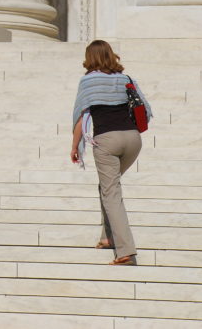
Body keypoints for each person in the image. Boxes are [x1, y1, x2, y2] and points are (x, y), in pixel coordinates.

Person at [69, 40, 152, 266]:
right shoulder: (126, 79)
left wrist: (75, 146)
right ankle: (107, 237)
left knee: (111, 191)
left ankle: (126, 251)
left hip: (107, 140)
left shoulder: (88, 81)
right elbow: (144, 107)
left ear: (90, 57)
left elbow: (80, 117)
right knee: (108, 187)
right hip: (133, 139)